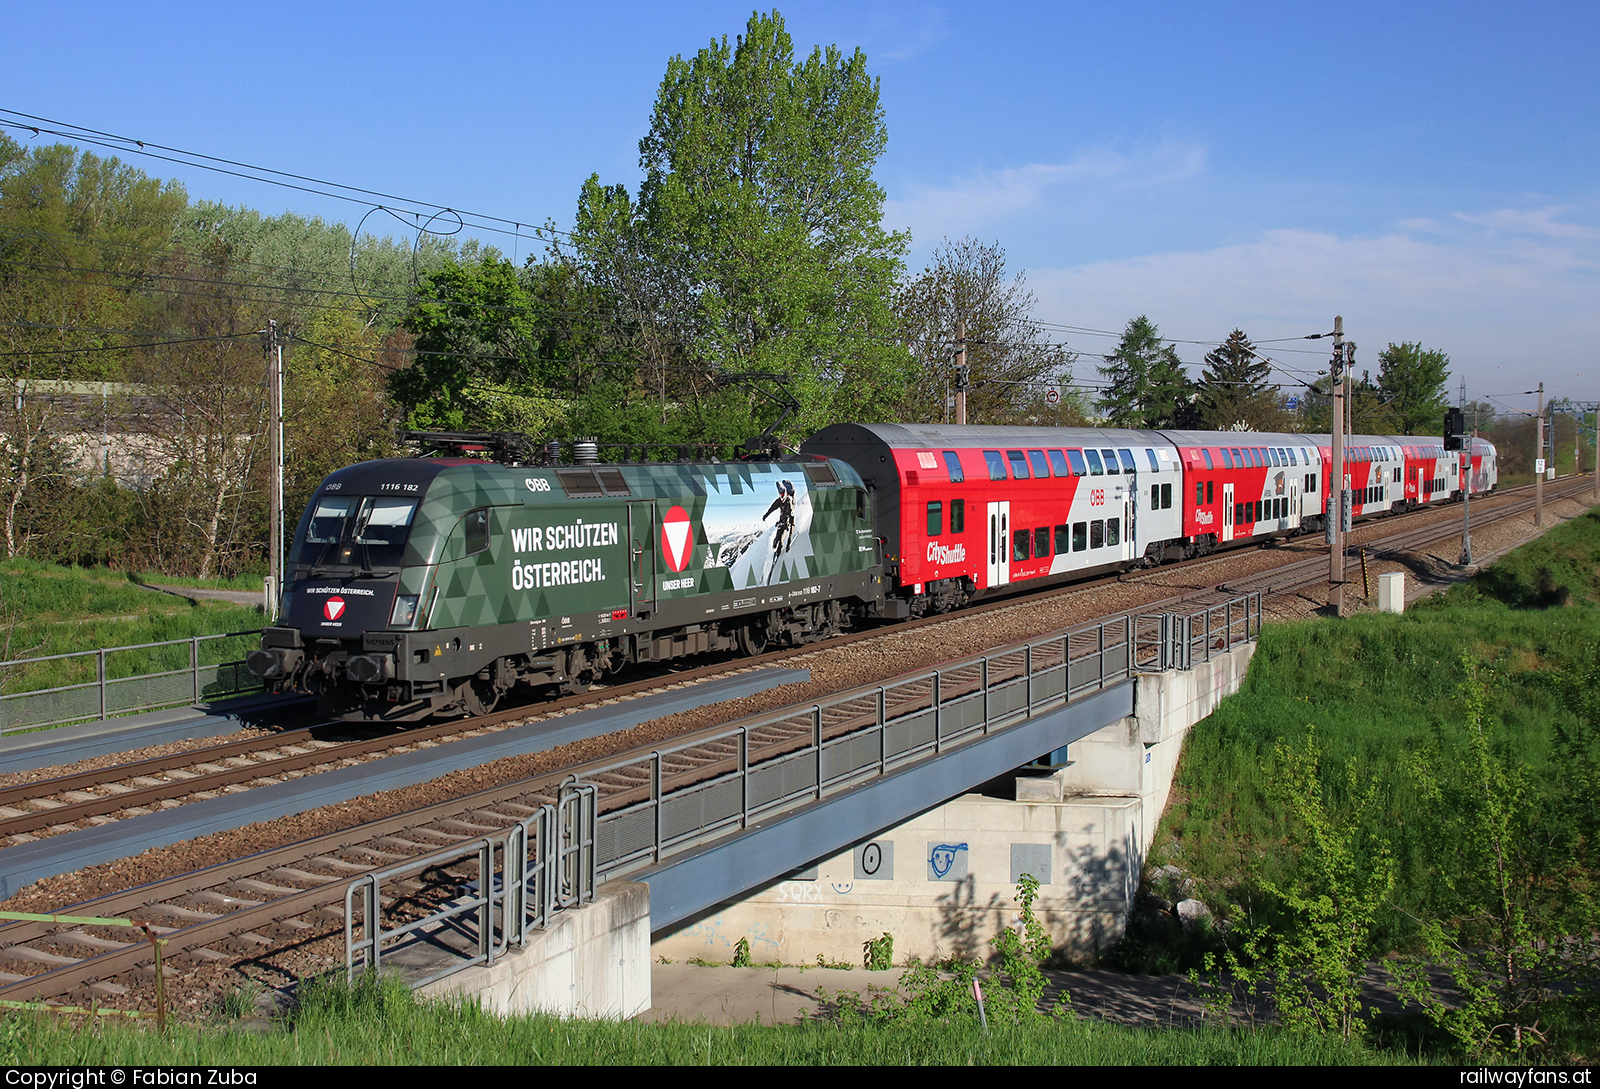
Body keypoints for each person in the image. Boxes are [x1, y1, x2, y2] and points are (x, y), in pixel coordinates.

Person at [763, 480, 796, 557]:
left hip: (786, 525)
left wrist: (789, 541)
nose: (781, 497)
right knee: (775, 542)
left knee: (781, 542)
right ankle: (773, 553)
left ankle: (777, 557)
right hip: (781, 523)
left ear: (785, 493)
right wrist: (766, 515)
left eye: (782, 494)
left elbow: (792, 523)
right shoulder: (779, 501)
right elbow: (772, 508)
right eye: (780, 495)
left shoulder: (790, 503)